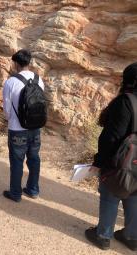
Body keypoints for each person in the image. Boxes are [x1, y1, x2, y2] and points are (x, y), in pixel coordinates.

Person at [85, 62, 137, 251]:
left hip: (119, 160)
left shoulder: (125, 101)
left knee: (111, 192)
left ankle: (103, 235)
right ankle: (131, 237)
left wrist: (99, 162)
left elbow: (111, 137)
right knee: (134, 195)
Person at [2, 49, 45, 202]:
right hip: (35, 127)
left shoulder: (11, 82)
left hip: (17, 129)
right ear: (29, 62)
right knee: (34, 159)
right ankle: (33, 190)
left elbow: (7, 110)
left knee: (17, 161)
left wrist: (12, 119)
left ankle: (15, 193)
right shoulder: (38, 79)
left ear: (15, 63)